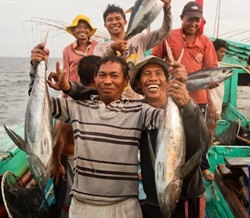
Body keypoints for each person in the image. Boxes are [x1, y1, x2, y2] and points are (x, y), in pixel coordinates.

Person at [30, 45, 208, 218]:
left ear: (125, 82)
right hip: (82, 204)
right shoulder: (76, 108)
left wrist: (183, 96)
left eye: (114, 76)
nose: (108, 81)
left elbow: (172, 125)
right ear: (96, 78)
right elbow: (37, 106)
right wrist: (36, 67)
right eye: (102, 76)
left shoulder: (139, 110)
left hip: (125, 206)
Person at [129, 56, 210, 217]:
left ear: (167, 81)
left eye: (158, 73)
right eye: (146, 74)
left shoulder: (185, 106)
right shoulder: (136, 113)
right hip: (152, 200)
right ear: (138, 83)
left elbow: (203, 144)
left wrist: (187, 104)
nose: (153, 78)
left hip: (187, 200)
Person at [151, 1, 218, 181]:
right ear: (182, 18)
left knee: (198, 134)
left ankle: (202, 166)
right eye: (190, 20)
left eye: (197, 21)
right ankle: (168, 166)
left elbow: (211, 69)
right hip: (171, 94)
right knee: (169, 133)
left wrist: (212, 91)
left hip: (198, 98)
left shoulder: (205, 42)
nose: (194, 24)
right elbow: (154, 58)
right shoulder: (168, 37)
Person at [93, 0, 172, 98]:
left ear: (125, 22)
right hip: (113, 99)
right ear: (105, 25)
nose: (114, 22)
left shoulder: (140, 39)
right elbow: (97, 67)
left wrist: (167, 10)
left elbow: (164, 33)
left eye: (118, 18)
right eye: (110, 20)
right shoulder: (100, 47)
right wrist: (111, 49)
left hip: (138, 98)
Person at [50, 55, 101, 218]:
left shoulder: (85, 97)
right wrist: (56, 162)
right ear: (96, 76)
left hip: (75, 160)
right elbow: (60, 133)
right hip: (69, 162)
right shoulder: (80, 101)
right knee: (67, 204)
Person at [206, 38, 228, 141]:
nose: (223, 54)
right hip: (211, 106)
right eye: (221, 51)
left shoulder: (220, 67)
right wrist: (211, 104)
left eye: (224, 52)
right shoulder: (211, 67)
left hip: (217, 106)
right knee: (209, 132)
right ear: (213, 51)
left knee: (211, 132)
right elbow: (206, 87)